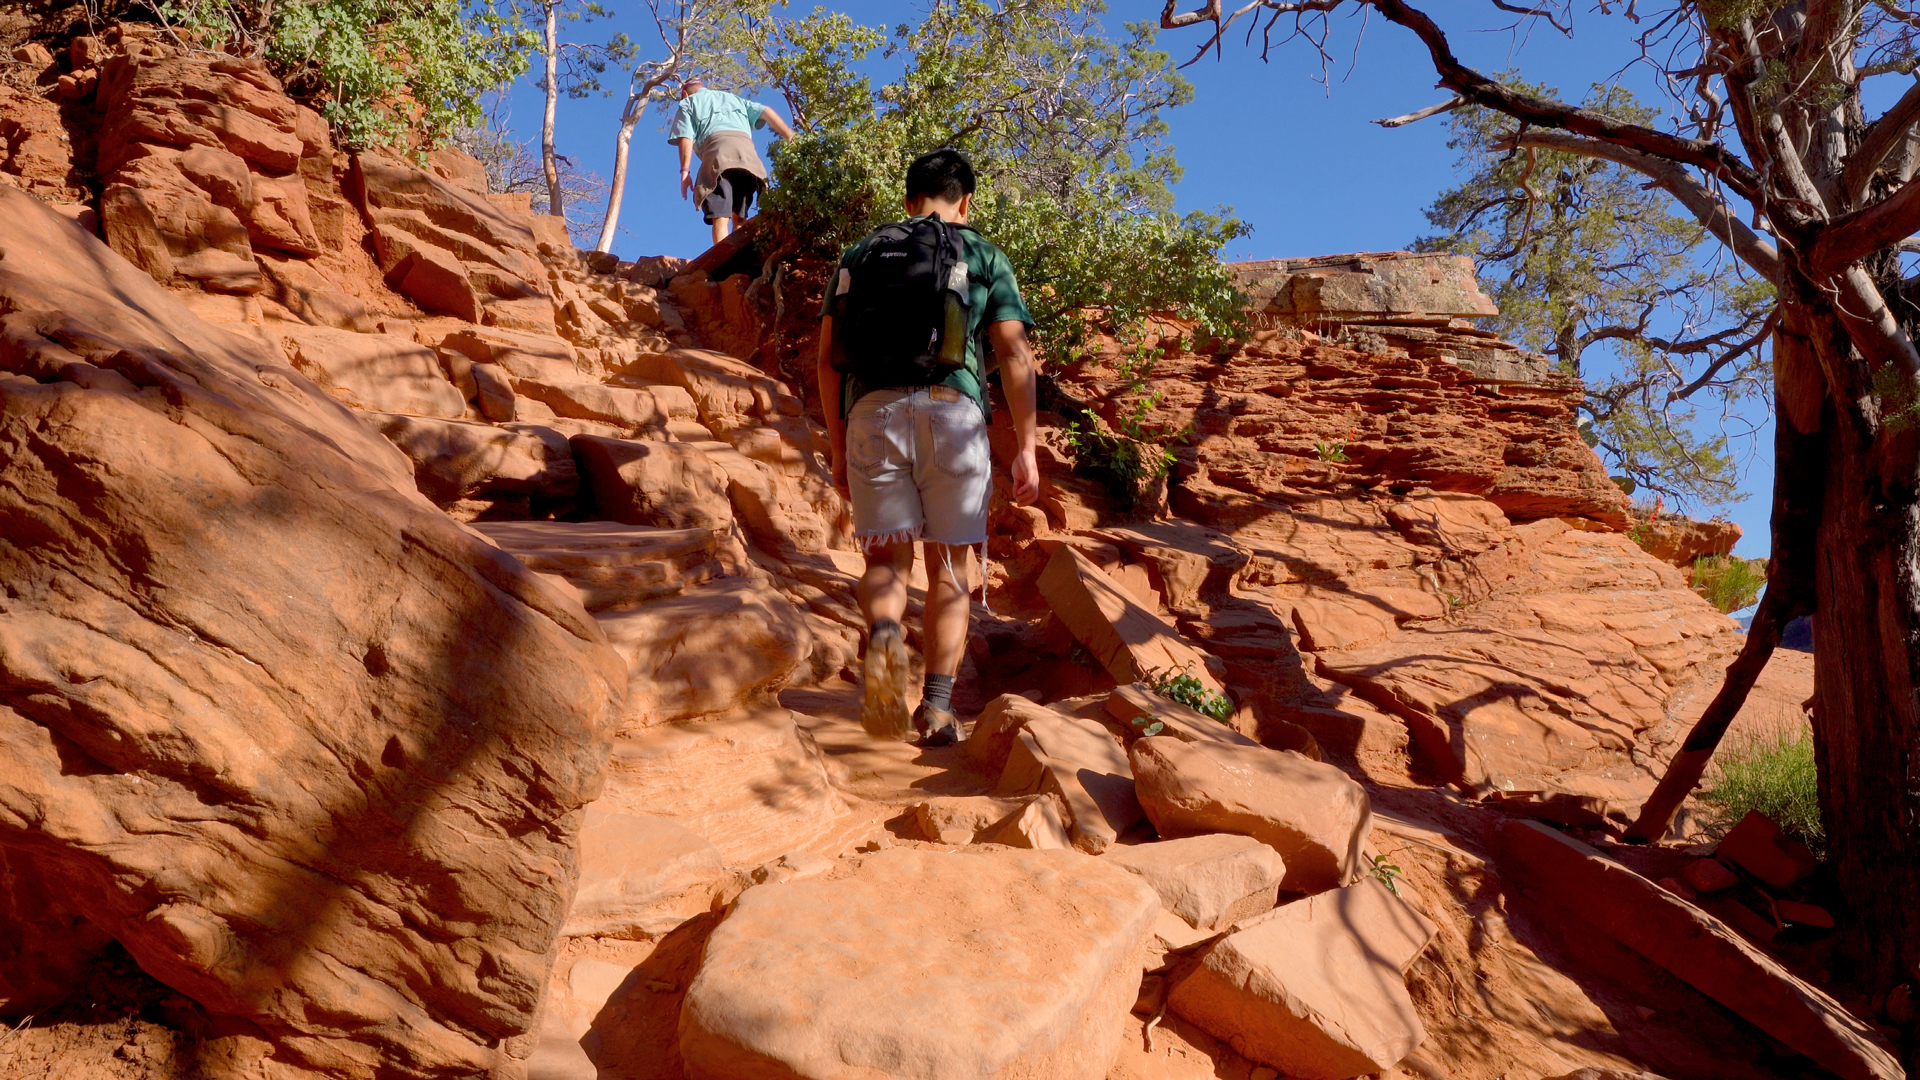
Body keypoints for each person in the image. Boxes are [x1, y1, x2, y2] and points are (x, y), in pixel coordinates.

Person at [816, 147, 1041, 746]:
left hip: (872, 413)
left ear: (908, 198)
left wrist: (838, 449)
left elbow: (827, 362)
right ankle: (937, 710)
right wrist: (1026, 445)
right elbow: (1015, 354)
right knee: (950, 566)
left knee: (886, 563)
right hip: (953, 415)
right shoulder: (984, 254)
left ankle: (887, 681)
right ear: (965, 201)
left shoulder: (861, 255)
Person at [668, 77, 795, 246]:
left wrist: (685, 172)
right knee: (740, 216)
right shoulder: (733, 98)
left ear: (685, 93)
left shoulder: (688, 102)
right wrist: (790, 137)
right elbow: (766, 111)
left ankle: (725, 264)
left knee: (720, 217)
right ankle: (742, 262)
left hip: (718, 157)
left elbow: (686, 137)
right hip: (748, 159)